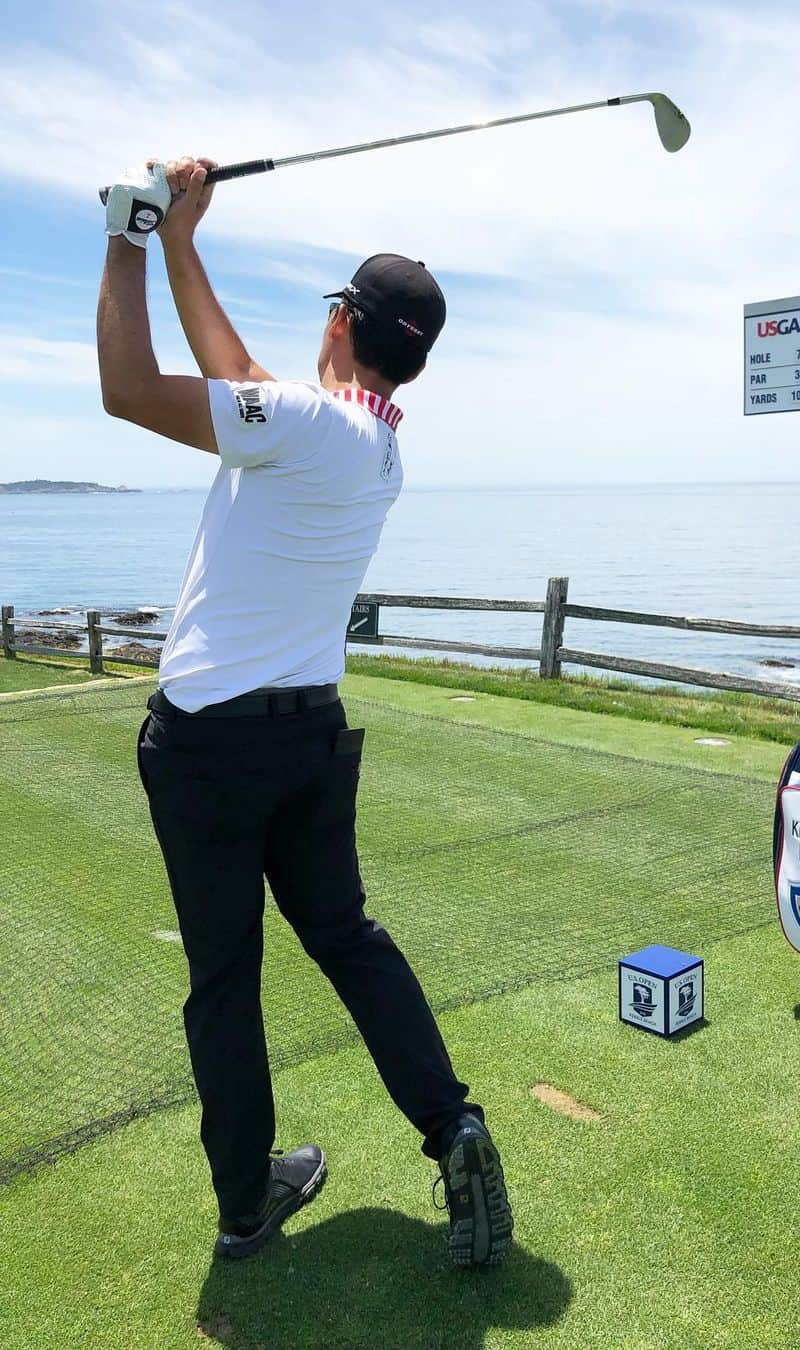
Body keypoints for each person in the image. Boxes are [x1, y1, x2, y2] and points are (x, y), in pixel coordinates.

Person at [96, 158, 513, 1265]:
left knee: (225, 980)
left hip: (210, 752)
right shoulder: (371, 443)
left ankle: (247, 1204)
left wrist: (128, 236)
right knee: (347, 939)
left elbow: (130, 390)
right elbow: (237, 374)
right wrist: (186, 239)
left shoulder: (297, 425)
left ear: (339, 320)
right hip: (309, 742)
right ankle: (452, 1123)